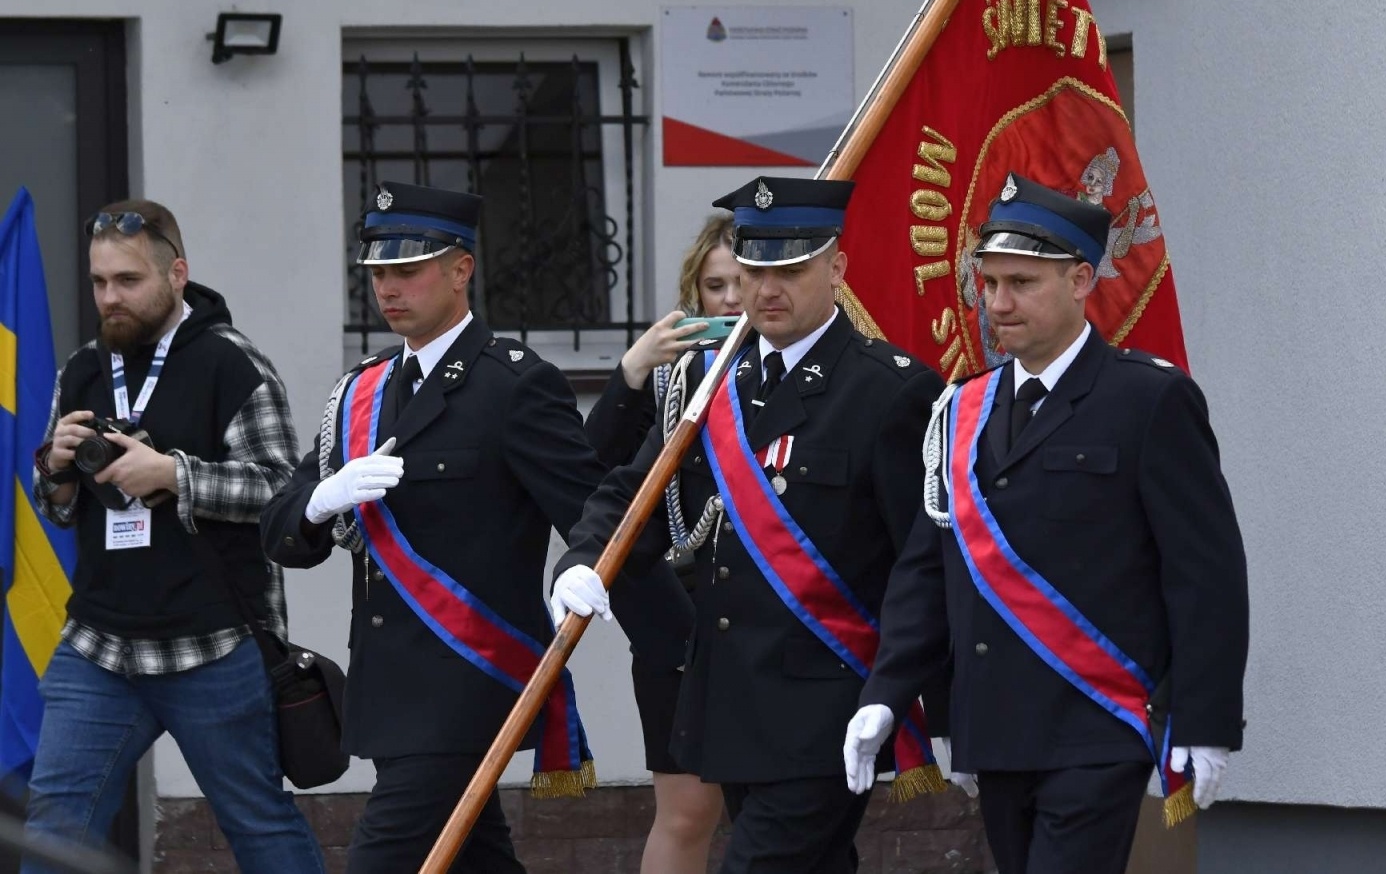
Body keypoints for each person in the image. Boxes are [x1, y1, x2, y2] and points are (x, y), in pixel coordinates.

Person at [258, 182, 691, 874]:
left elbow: (594, 511)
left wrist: (675, 641)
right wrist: (321, 500)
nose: (388, 289)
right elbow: (279, 526)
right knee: (475, 859)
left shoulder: (513, 384)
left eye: (408, 270)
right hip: (388, 693)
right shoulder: (360, 391)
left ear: (461, 270)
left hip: (468, 683)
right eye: (377, 275)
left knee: (385, 860)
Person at [842, 173, 1250, 873]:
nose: (998, 303)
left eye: (1022, 283)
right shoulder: (963, 409)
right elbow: (927, 570)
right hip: (994, 727)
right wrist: (886, 693)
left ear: (1081, 280)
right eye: (988, 282)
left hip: (1094, 723)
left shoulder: (1149, 400)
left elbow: (1205, 574)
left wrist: (1206, 718)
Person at [550, 176, 946, 874]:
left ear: (836, 268)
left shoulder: (888, 390)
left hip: (826, 701)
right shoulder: (711, 384)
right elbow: (633, 490)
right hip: (728, 696)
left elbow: (923, 558)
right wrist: (584, 558)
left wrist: (897, 687)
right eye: (756, 269)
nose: (766, 288)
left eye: (790, 269)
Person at [27, 200, 323, 874]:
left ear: (177, 273)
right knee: (53, 831)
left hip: (212, 646)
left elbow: (285, 493)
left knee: (258, 826)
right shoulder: (83, 367)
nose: (110, 298)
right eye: (100, 282)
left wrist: (174, 474)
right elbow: (59, 507)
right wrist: (59, 469)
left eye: (128, 281)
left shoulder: (234, 365)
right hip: (99, 649)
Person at [583, 212, 741, 874]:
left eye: (743, 281)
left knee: (778, 811)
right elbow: (594, 471)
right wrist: (631, 372)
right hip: (681, 621)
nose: (732, 300)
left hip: (775, 614)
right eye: (715, 286)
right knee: (685, 813)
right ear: (693, 296)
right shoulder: (676, 380)